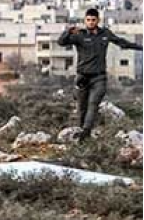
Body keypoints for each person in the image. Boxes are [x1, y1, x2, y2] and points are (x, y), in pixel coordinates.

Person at [58, 8, 142, 141]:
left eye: (93, 20)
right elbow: (61, 42)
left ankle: (86, 130)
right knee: (81, 108)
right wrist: (68, 31)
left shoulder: (105, 34)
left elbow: (122, 43)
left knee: (93, 103)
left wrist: (140, 47)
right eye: (88, 20)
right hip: (82, 77)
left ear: (98, 20)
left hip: (99, 77)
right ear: (85, 20)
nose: (91, 22)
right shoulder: (80, 34)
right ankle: (82, 137)